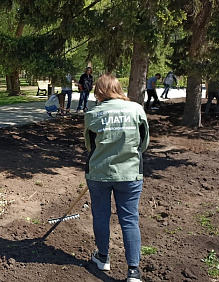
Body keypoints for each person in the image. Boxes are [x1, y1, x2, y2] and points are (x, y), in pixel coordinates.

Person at [84, 74, 149, 282]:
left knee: (101, 217)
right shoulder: (137, 109)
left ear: (99, 91)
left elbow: (89, 145)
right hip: (130, 173)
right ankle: (133, 272)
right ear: (118, 88)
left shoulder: (92, 113)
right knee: (130, 220)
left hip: (99, 173)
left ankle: (103, 258)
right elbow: (144, 142)